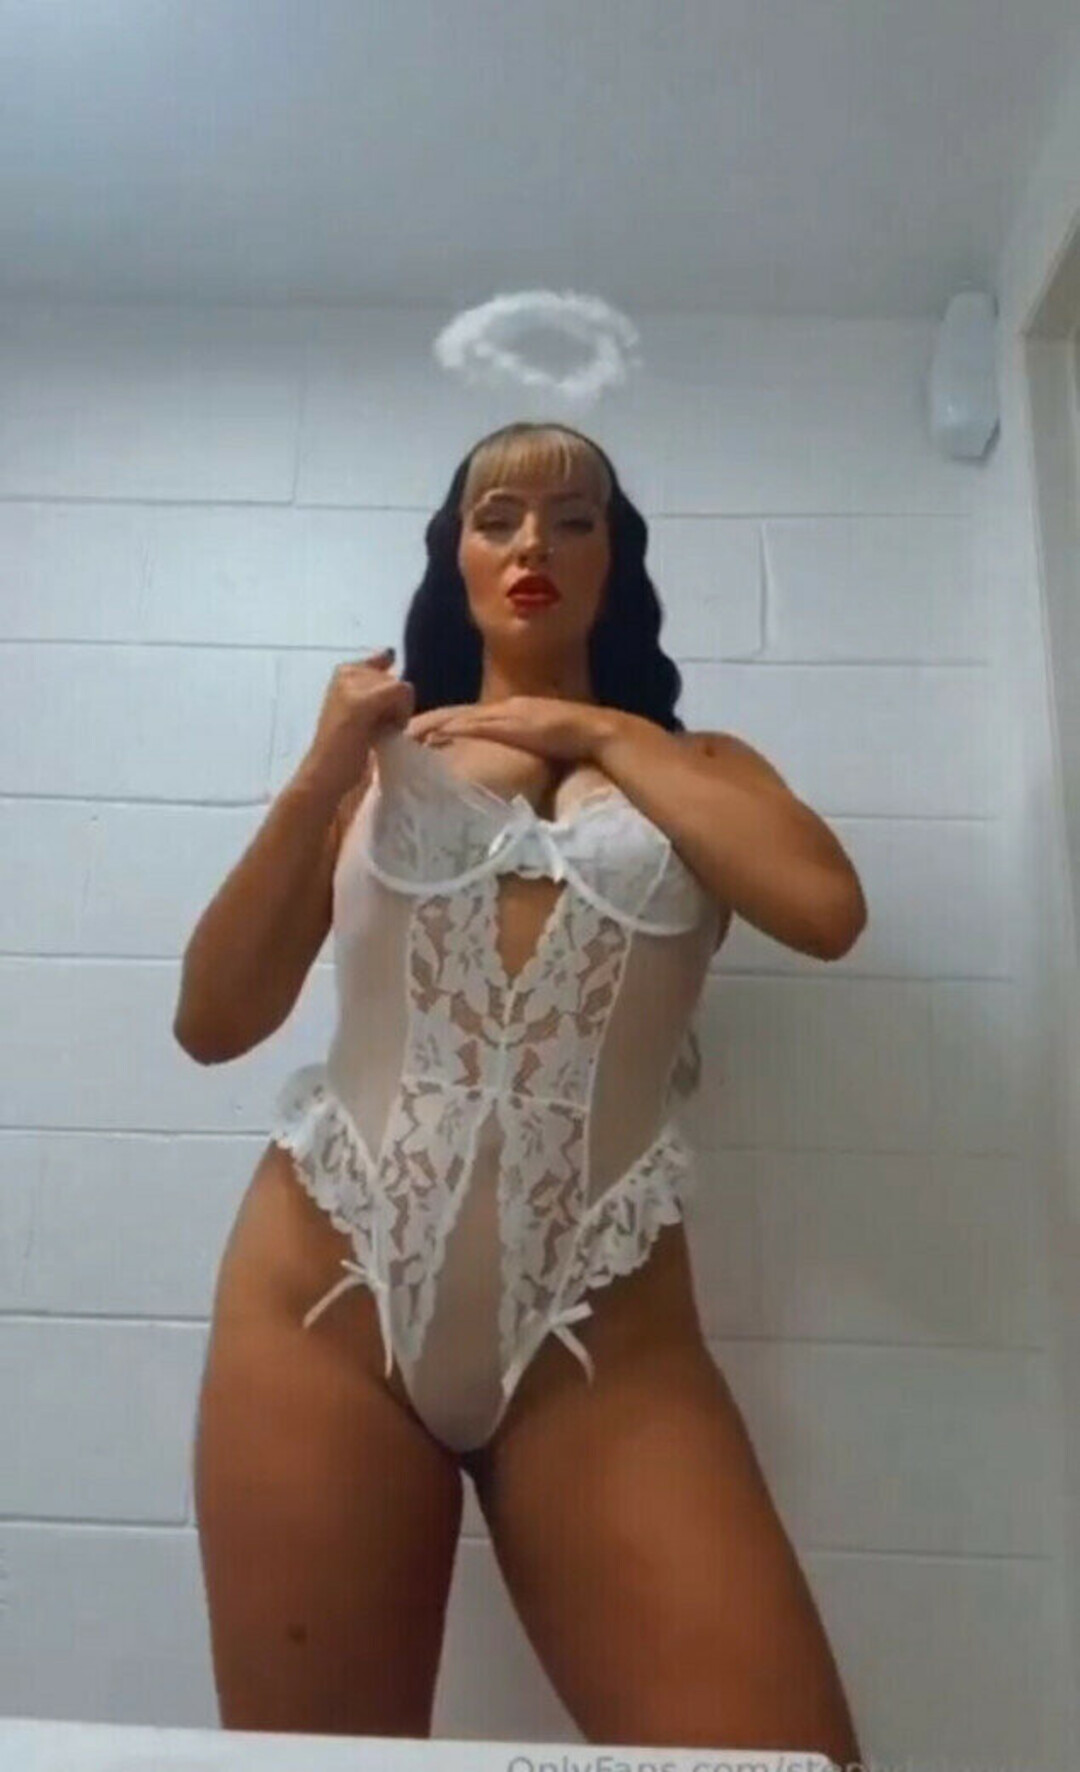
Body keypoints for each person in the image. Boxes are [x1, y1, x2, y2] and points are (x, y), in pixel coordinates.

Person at [181, 421, 866, 1763]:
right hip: (325, 1302)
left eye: (573, 519)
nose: (533, 544)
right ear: (457, 557)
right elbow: (214, 1019)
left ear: (616, 558)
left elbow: (825, 911)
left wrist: (589, 727)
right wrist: (325, 763)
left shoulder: (706, 770)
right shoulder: (379, 765)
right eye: (496, 519)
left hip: (604, 1335)